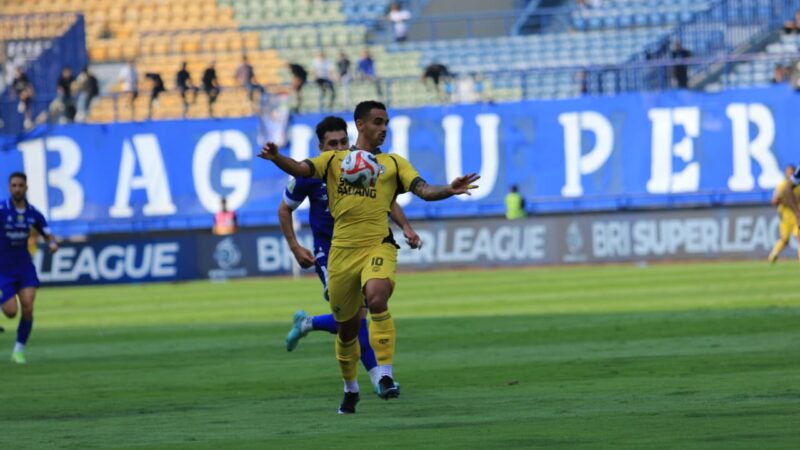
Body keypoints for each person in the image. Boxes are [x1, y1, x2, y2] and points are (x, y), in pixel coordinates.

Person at [258, 100, 480, 414]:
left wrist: (449, 189)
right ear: (360, 125)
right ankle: (350, 389)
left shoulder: (393, 163)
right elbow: (301, 169)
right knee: (347, 329)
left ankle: (384, 376)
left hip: (378, 245)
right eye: (377, 122)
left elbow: (424, 190)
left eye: (386, 122)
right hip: (339, 255)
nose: (384, 128)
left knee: (376, 298)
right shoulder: (334, 161)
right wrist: (277, 156)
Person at [279, 116, 421, 391]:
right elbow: (284, 209)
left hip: (365, 249)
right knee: (355, 318)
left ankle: (309, 324)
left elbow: (386, 200)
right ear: (320, 146)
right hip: (329, 253)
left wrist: (406, 227)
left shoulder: (363, 164)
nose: (340, 148)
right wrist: (296, 247)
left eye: (344, 141)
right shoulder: (311, 174)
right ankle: (380, 378)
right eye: (332, 144)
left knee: (357, 316)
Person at [1, 172, 59, 363]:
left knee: (28, 307)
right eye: (14, 185)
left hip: (24, 267)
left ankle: (18, 351)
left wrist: (52, 243)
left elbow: (47, 232)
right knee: (10, 312)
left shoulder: (33, 213)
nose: (17, 189)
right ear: (10, 188)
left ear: (26, 187)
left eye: (20, 185)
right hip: (4, 267)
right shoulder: (2, 210)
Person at [768, 164, 800, 263]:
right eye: (788, 171)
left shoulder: (798, 185)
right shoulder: (782, 185)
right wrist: (785, 202)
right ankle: (773, 255)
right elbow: (774, 201)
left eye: (791, 171)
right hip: (786, 216)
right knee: (785, 240)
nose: (789, 173)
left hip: (797, 214)